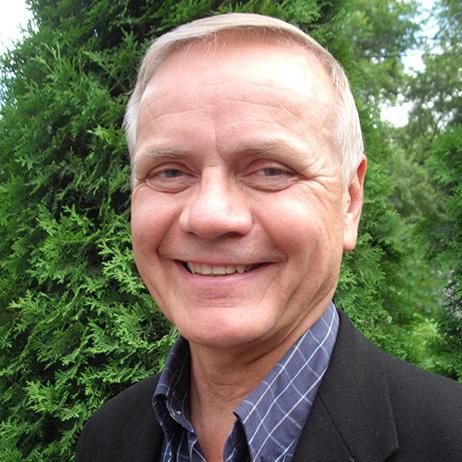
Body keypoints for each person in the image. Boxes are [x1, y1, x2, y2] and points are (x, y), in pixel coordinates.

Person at [76, 13, 462, 462]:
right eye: (170, 172)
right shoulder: (106, 438)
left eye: (271, 170)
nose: (210, 216)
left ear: (349, 202)